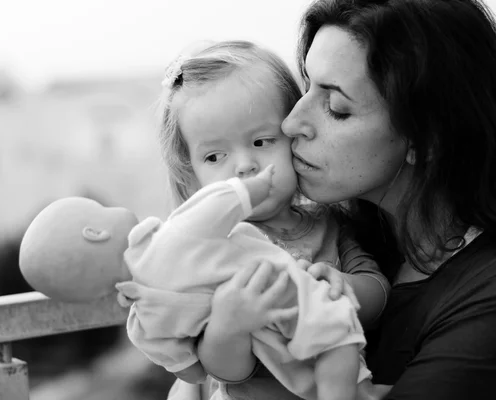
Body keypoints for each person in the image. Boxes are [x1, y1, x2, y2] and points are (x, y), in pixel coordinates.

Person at [208, 0, 496, 399]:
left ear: (427, 139)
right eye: (306, 86)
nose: (291, 123)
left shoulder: (483, 298)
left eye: (336, 107)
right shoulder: (340, 236)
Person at [152, 41, 388, 400]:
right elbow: (224, 371)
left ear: (293, 135)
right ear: (191, 175)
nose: (245, 165)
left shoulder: (328, 223)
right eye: (215, 156)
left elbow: (379, 291)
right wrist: (231, 323)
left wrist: (346, 288)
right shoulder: (209, 255)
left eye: (262, 141)